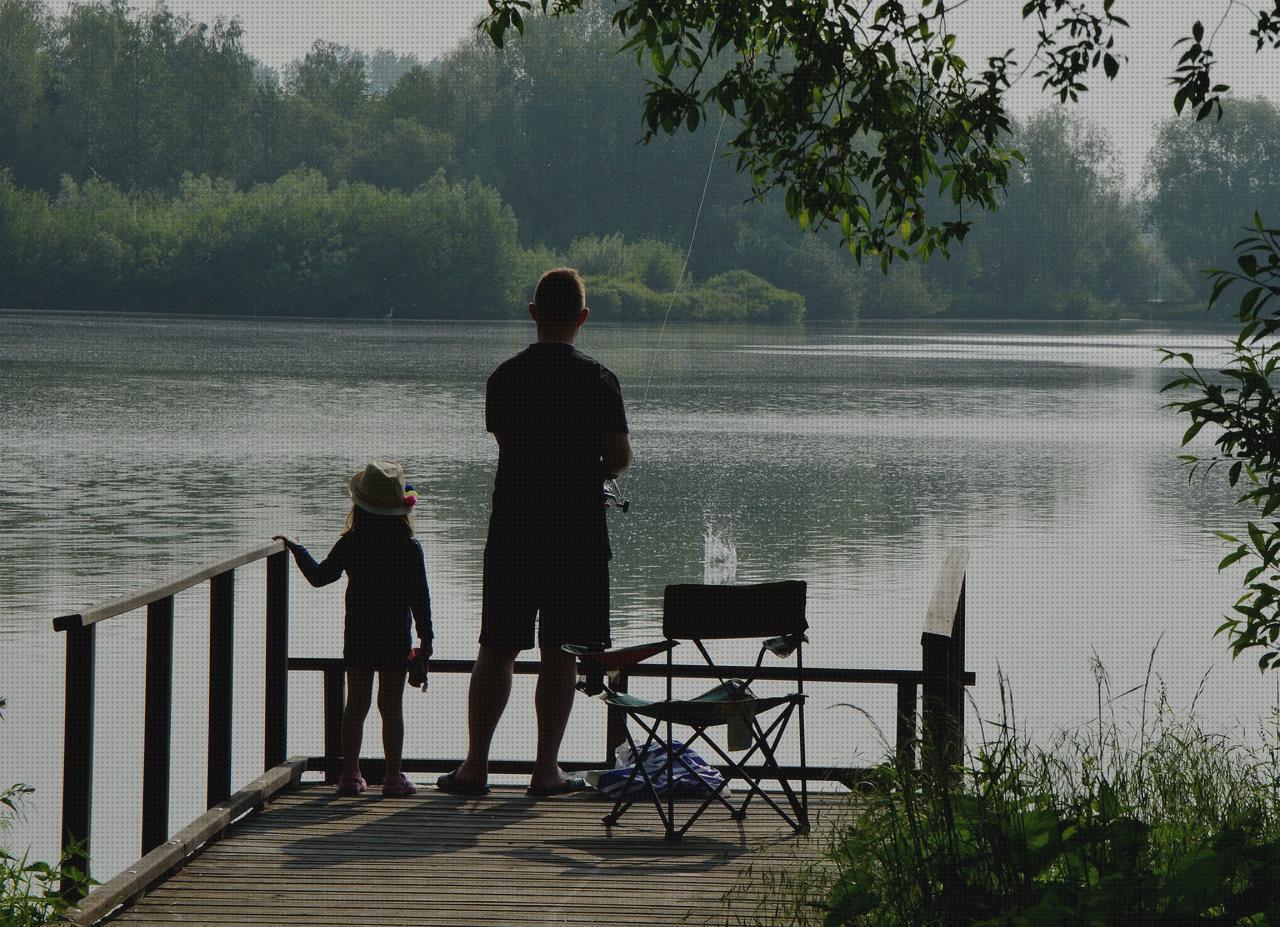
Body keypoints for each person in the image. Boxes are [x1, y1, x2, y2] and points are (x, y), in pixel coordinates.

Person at [438, 267, 632, 798]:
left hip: (514, 530)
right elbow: (618, 457)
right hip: (576, 536)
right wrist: (595, 468)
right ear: (583, 318)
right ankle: (545, 771)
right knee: (560, 653)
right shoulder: (599, 379)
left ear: (533, 313)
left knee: (496, 647)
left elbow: (508, 441)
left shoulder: (503, 377)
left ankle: (474, 767)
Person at [275, 460, 433, 797]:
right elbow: (422, 600)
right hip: (394, 638)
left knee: (356, 705)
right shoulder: (409, 547)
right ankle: (392, 778)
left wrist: (297, 547)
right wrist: (427, 642)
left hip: (359, 635)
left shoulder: (352, 541)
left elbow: (320, 577)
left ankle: (350, 775)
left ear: (359, 506)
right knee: (391, 708)